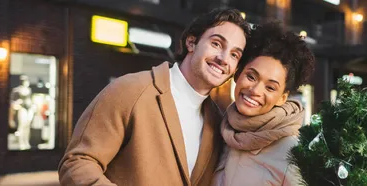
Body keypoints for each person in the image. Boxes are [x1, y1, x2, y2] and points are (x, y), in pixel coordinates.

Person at [58, 8, 250, 186]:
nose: (224, 58)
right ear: (191, 42)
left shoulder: (217, 122)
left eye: (234, 55)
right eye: (216, 44)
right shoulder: (130, 89)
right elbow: (77, 164)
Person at [212, 22, 315, 186]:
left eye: (270, 87)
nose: (255, 90)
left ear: (282, 97)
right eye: (251, 77)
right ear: (238, 75)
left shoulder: (291, 153)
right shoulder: (220, 129)